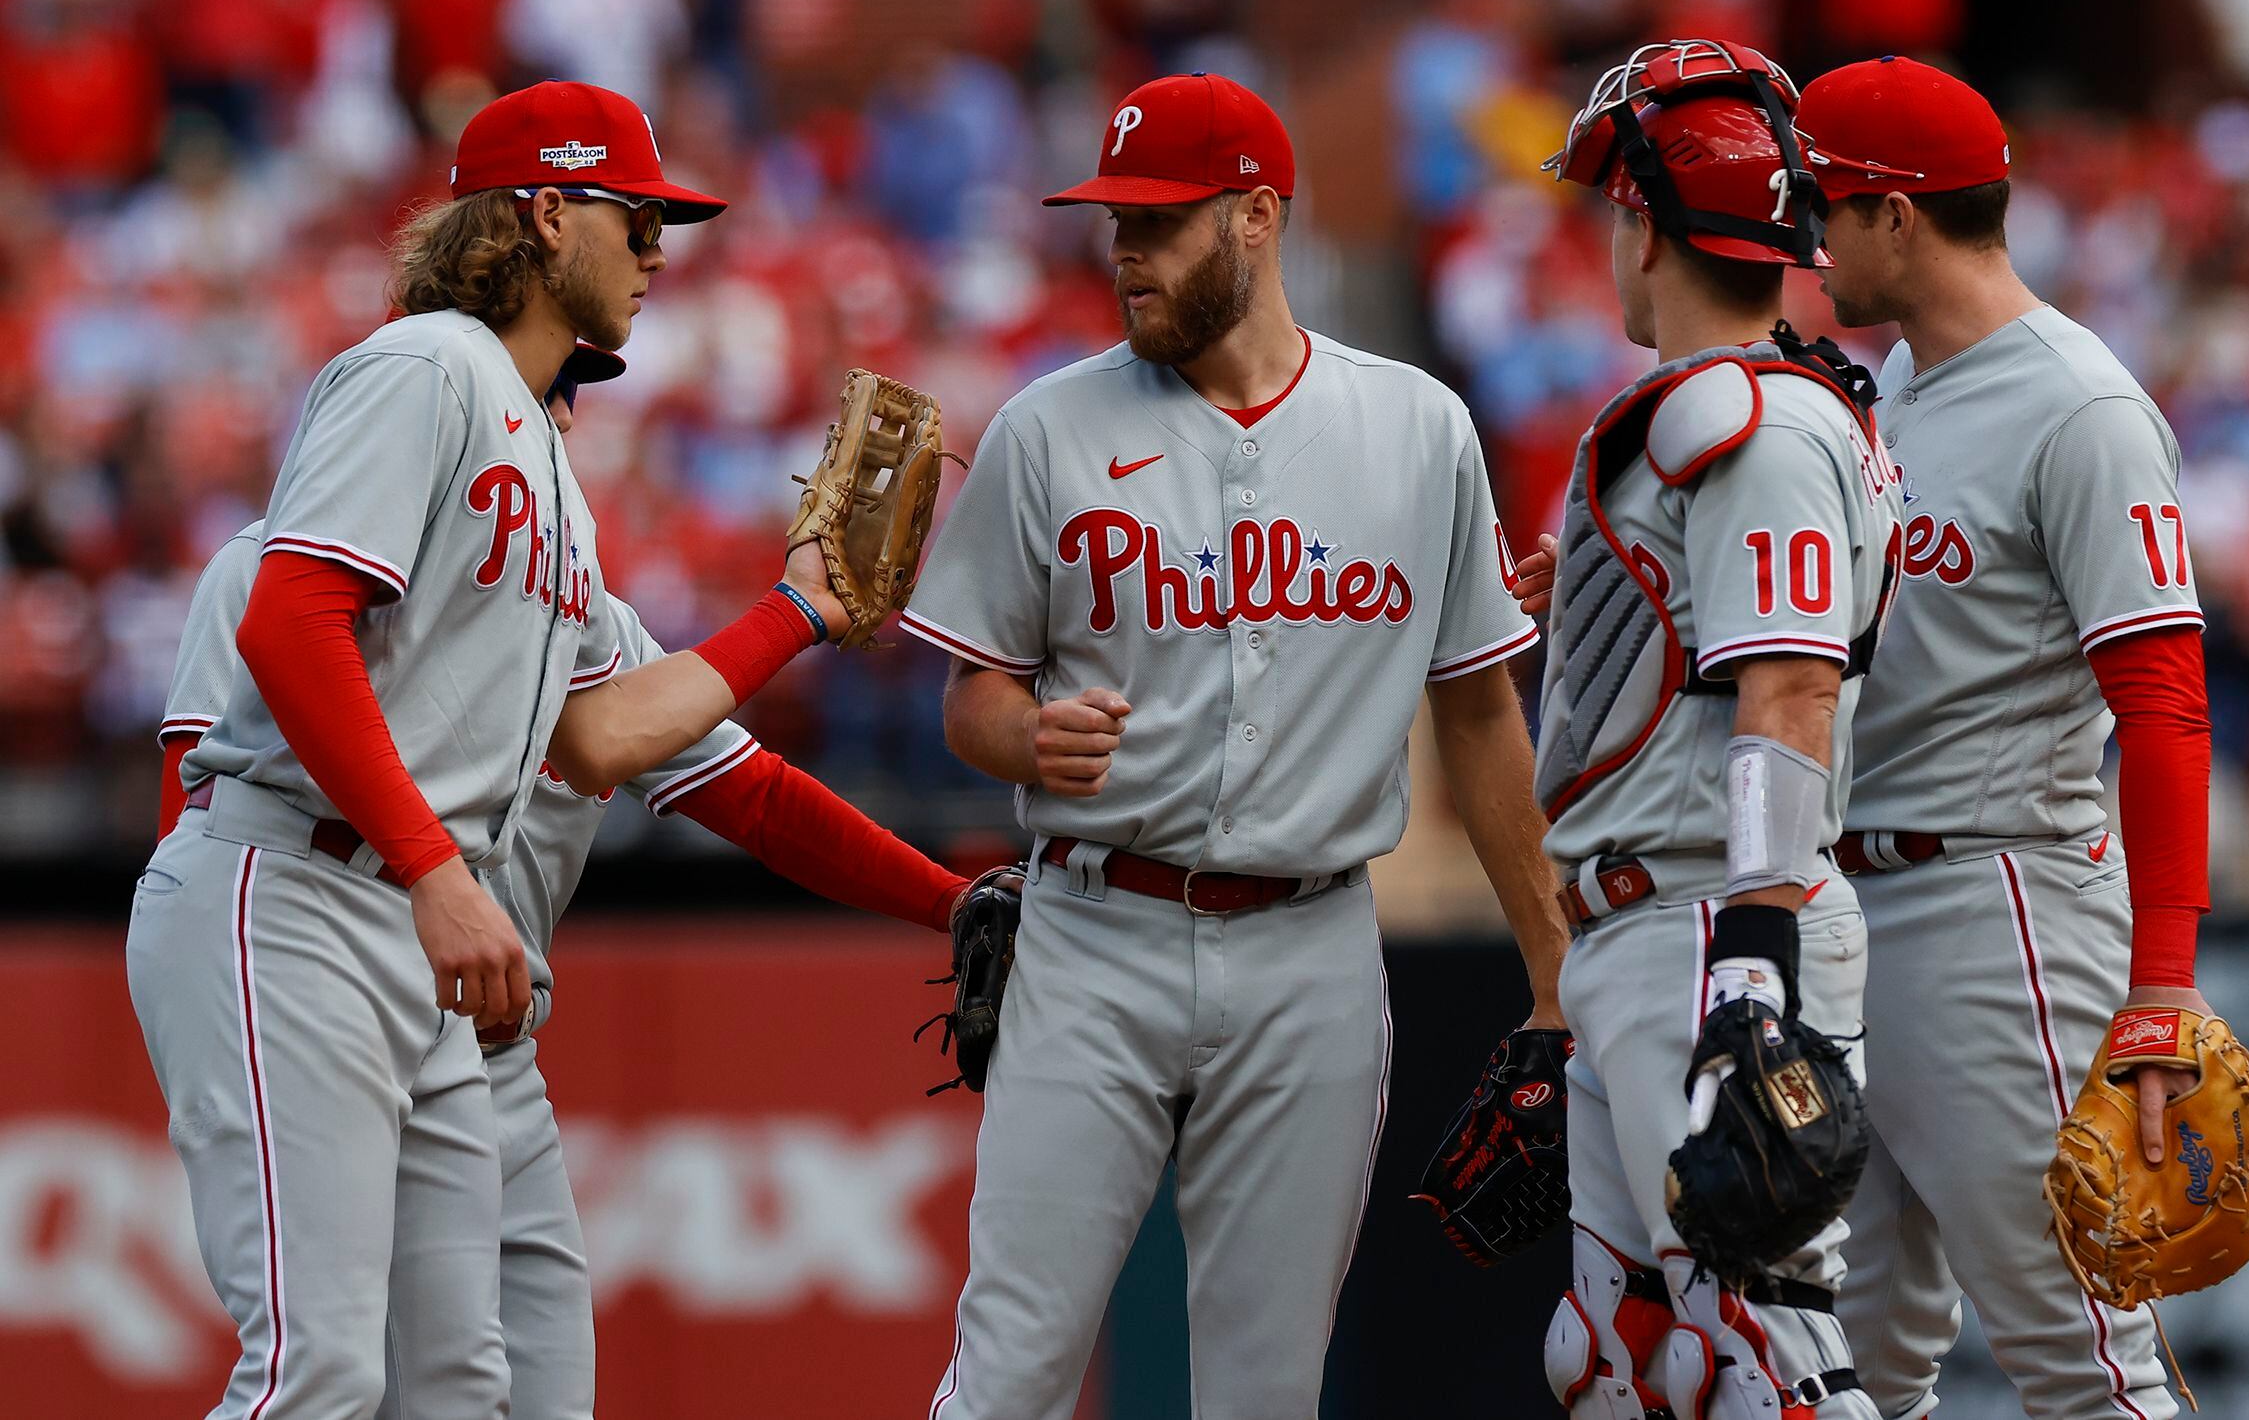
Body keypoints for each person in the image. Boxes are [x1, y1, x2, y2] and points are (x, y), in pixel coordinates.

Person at [127, 79, 859, 1419]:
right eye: (633, 219)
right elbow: (293, 625)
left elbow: (600, 735)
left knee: (465, 1390)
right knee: (317, 1372)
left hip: (410, 927)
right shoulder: (430, 365)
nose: (656, 252)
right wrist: (432, 869)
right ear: (543, 212)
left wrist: (797, 612)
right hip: (297, 886)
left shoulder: (549, 471)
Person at [897, 71, 1568, 1418]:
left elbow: (1482, 710)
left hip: (1311, 946)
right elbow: (969, 699)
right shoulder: (1046, 430)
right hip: (1096, 934)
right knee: (1014, 1370)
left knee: (1265, 1392)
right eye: (1114, 223)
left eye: (1161, 222)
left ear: (1256, 217)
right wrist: (1026, 737)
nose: (1124, 252)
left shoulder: (1417, 428)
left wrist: (1557, 980)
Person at [155, 357, 978, 1420]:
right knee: (321, 1378)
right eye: (533, 396)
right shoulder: (271, 566)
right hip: (321, 981)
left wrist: (950, 900)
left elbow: (757, 796)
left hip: (480, 1045)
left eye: (559, 399)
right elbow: (205, 824)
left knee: (507, 1399)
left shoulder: (570, 609)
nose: (546, 419)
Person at [1795, 55, 2197, 1420]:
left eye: (1828, 203)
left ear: (1899, 216)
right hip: (1852, 906)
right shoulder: (1890, 391)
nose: (1810, 233)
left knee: (2084, 1365)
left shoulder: (2076, 404)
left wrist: (2164, 987)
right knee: (1854, 1359)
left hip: (1996, 902)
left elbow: (2164, 703)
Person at [1510, 39, 1901, 1419]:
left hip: (1713, 923)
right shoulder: (1745, 407)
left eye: (1616, 203)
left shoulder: (1757, 419)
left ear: (1647, 216)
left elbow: (1789, 690)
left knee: (1758, 1355)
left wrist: (1752, 961)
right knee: (1619, 1360)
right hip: (1643, 922)